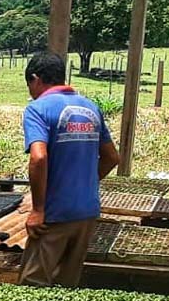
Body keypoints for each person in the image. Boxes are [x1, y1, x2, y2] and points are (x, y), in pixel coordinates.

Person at [20, 51, 121, 287]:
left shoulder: (38, 109)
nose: (30, 92)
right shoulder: (90, 107)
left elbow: (38, 158)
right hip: (86, 211)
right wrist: (86, 183)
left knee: (32, 287)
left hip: (55, 214)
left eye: (29, 85)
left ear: (36, 79)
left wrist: (38, 209)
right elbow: (112, 157)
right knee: (67, 287)